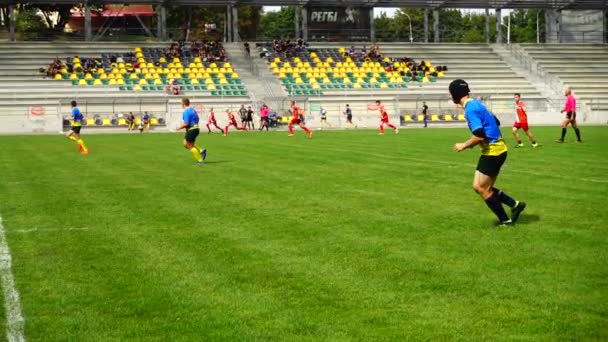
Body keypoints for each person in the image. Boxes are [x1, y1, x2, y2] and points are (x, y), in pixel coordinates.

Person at [449, 79, 526, 227]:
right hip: (495, 149)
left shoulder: (470, 109)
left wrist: (463, 145)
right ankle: (515, 205)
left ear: (454, 95)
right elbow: (495, 121)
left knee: (483, 188)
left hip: (493, 151)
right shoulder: (477, 103)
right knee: (479, 187)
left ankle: (505, 220)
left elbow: (479, 135)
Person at [175, 98, 206, 164]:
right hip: (196, 129)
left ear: (183, 104)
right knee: (186, 144)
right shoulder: (192, 110)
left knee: (188, 145)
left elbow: (186, 123)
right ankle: (201, 151)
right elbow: (197, 118)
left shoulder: (186, 111)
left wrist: (178, 128)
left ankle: (200, 160)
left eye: (181, 103)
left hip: (192, 129)